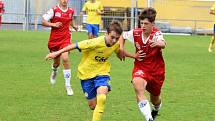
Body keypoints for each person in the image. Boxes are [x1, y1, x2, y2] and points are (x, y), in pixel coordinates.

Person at [45, 20, 140, 121]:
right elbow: (75, 45)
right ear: (106, 33)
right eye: (112, 37)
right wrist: (56, 53)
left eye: (116, 38)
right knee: (93, 106)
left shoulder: (115, 44)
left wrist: (134, 56)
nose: (114, 40)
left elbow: (119, 50)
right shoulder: (95, 42)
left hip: (102, 73)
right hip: (86, 74)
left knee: (102, 98)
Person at [119, 7, 166, 121]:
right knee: (138, 86)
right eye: (141, 23)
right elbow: (122, 36)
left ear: (152, 24)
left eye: (146, 23)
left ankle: (155, 109)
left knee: (155, 99)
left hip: (157, 71)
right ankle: (148, 118)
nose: (143, 26)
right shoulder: (135, 33)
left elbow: (163, 43)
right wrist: (121, 48)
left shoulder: (156, 33)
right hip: (141, 67)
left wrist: (157, 43)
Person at [42, 0, 78, 96]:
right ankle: (54, 70)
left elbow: (70, 20)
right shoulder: (54, 10)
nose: (65, 0)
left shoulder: (71, 11)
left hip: (66, 39)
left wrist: (74, 26)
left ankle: (68, 85)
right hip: (54, 41)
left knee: (65, 58)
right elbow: (43, 21)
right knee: (56, 62)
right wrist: (53, 24)